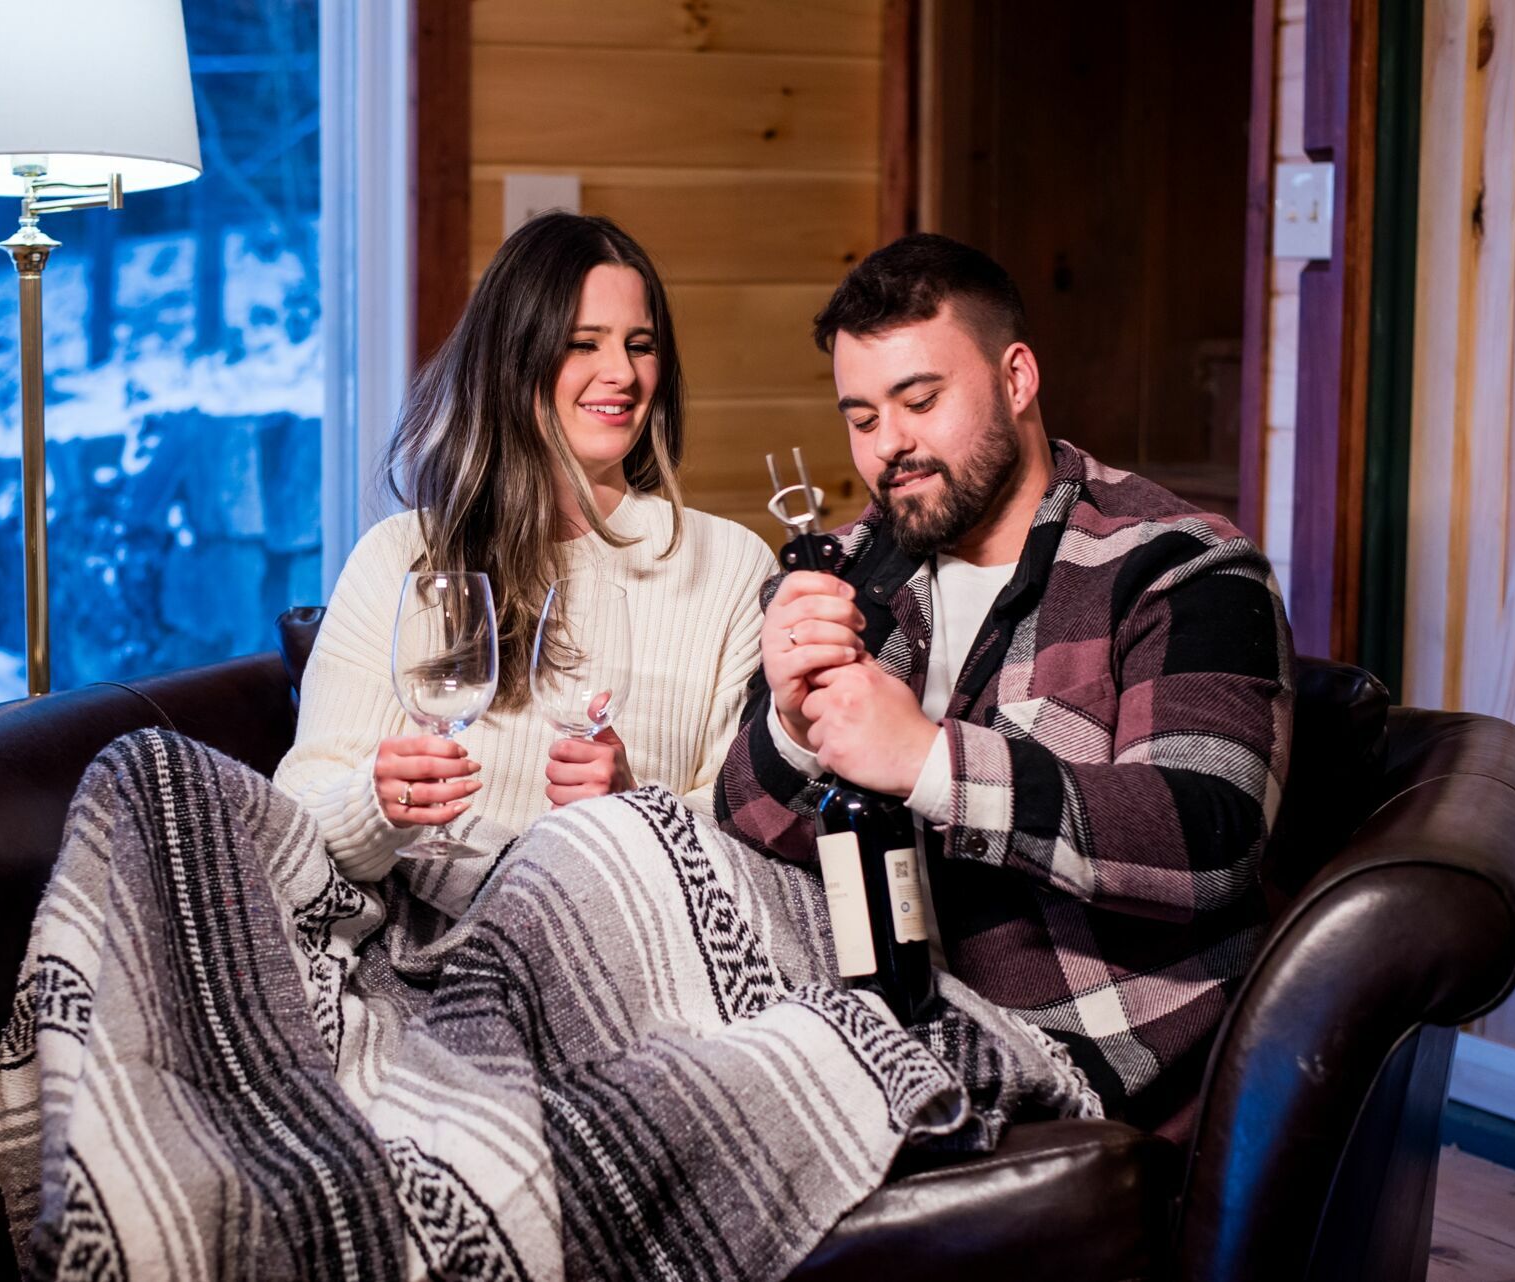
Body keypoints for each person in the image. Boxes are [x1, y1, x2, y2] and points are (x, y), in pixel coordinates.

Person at [715, 233, 1293, 1138]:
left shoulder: (1180, 566)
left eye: (920, 401)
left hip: (1071, 1061)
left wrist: (927, 761)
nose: (890, 445)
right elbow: (748, 824)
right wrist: (789, 725)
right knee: (618, 849)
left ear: (1016, 378)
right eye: (862, 419)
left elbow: (1208, 838)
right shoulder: (856, 566)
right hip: (865, 1011)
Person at [276, 213, 776, 883]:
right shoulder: (402, 556)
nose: (622, 373)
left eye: (640, 345)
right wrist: (376, 803)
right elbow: (296, 816)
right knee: (157, 772)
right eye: (582, 344)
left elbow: (746, 836)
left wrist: (638, 813)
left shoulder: (732, 566)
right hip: (427, 921)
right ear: (512, 361)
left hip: (610, 919)